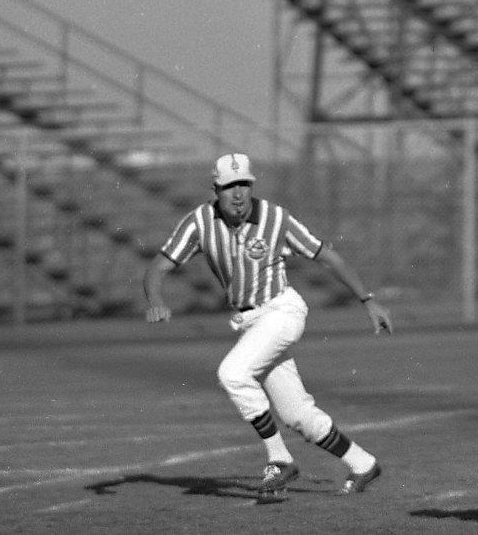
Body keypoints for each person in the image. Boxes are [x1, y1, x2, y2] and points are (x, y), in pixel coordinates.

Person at [143, 152, 391, 504]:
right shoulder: (199, 222)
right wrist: (155, 301)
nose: (238, 193)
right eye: (229, 186)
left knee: (232, 374)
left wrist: (367, 300)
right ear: (216, 189)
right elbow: (157, 268)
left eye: (244, 183)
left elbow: (325, 256)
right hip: (251, 322)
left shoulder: (275, 218)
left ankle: (280, 459)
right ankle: (363, 463)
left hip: (282, 311)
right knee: (296, 414)